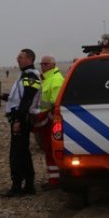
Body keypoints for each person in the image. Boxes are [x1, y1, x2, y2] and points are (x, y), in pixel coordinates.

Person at [0, 49, 42, 197]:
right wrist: (6, 97)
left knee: (17, 153)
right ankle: (29, 186)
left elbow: (28, 99)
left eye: (21, 57)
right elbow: (20, 97)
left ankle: (17, 186)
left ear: (29, 58)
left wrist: (18, 120)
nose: (17, 59)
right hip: (21, 116)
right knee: (23, 152)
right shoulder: (25, 75)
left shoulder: (31, 75)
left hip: (22, 118)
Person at [32, 56, 65, 189]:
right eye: (41, 64)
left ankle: (55, 180)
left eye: (46, 64)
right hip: (45, 120)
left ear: (53, 64)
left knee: (52, 151)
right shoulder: (46, 78)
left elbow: (54, 103)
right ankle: (53, 178)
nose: (43, 66)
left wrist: (39, 106)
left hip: (50, 121)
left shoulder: (56, 80)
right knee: (48, 151)